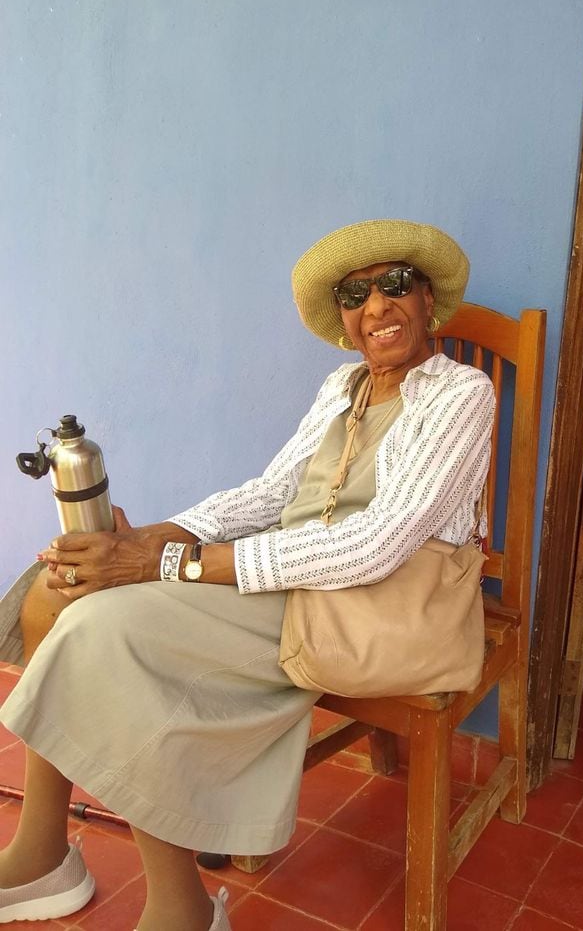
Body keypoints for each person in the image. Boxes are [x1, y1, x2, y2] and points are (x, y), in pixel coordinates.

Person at [0, 218, 495, 930]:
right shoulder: (341, 386)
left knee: (106, 636)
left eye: (394, 285)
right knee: (62, 589)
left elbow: (377, 544)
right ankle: (42, 851)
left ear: (426, 300)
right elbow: (270, 493)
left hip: (361, 606)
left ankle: (182, 909)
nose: (377, 306)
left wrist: (168, 562)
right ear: (345, 318)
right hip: (285, 574)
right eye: (357, 294)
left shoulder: (462, 395)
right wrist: (153, 535)